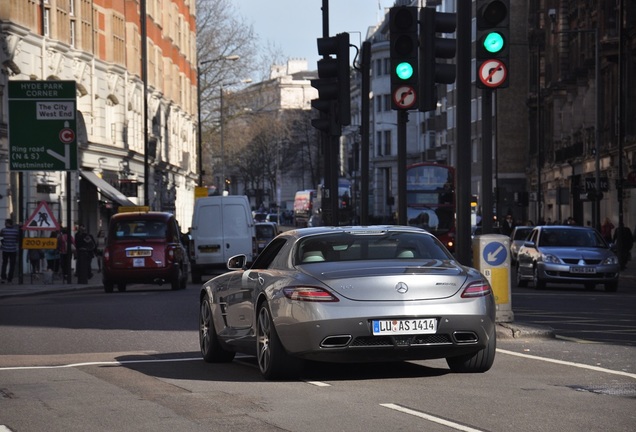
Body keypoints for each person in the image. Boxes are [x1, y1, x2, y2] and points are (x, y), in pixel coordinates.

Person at [0, 218, 20, 283]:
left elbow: (0, 235)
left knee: (4, 263)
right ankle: (10, 279)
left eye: (5, 223)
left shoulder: (4, 230)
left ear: (8, 223)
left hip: (5, 249)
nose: (4, 224)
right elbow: (17, 239)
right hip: (13, 250)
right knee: (12, 264)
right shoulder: (16, 231)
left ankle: (3, 277)